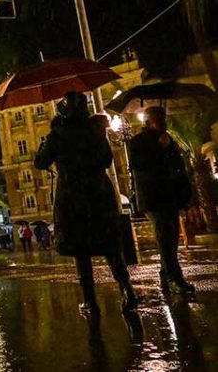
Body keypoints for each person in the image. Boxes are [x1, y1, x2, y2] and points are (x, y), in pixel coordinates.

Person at [35, 92, 138, 314]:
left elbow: (40, 163)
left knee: (80, 249)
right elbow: (107, 159)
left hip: (72, 197)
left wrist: (45, 143)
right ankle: (126, 288)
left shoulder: (57, 135)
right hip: (99, 193)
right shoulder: (94, 132)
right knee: (110, 245)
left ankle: (90, 301)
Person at [130, 106, 195, 295]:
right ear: (148, 122)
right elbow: (139, 165)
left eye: (164, 120)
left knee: (172, 237)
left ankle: (165, 274)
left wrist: (185, 195)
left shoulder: (168, 140)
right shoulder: (138, 142)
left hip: (170, 196)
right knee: (165, 237)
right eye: (159, 120)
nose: (163, 124)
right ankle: (174, 278)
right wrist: (161, 148)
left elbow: (177, 167)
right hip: (154, 197)